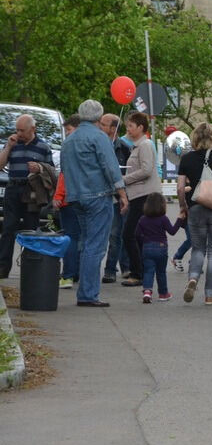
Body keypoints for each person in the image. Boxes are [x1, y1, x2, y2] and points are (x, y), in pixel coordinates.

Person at [60, 100, 129, 307]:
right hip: (98, 195)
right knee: (95, 246)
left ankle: (84, 289)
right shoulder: (99, 137)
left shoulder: (69, 141)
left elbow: (64, 169)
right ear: (99, 118)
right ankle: (88, 294)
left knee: (84, 241)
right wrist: (122, 194)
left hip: (75, 196)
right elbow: (110, 167)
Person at [177, 122, 212, 306]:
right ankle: (210, 295)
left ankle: (193, 278)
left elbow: (179, 188)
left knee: (198, 248)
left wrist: (183, 206)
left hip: (196, 206)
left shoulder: (186, 159)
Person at [0, 114, 55, 278]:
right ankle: (3, 267)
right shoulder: (13, 144)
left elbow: (52, 172)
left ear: (33, 129)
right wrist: (8, 147)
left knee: (31, 229)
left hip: (31, 191)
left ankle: (30, 266)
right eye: (17, 129)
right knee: (8, 228)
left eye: (22, 130)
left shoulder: (43, 147)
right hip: (13, 188)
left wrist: (39, 167)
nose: (19, 133)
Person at [120, 112, 162, 287]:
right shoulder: (138, 145)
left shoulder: (144, 145)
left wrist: (123, 179)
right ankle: (142, 271)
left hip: (144, 195)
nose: (128, 129)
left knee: (129, 234)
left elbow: (146, 170)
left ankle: (138, 272)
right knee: (136, 235)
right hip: (138, 194)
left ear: (140, 127)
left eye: (131, 126)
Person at [136, 192, 186, 303]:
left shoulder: (143, 219)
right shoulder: (163, 218)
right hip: (161, 247)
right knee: (161, 272)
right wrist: (179, 219)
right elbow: (172, 231)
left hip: (147, 247)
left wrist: (144, 243)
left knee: (148, 271)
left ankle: (147, 291)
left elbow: (137, 234)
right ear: (162, 205)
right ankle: (163, 294)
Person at [99, 113, 132, 283]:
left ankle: (117, 268)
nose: (99, 126)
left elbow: (129, 171)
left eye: (103, 124)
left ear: (113, 128)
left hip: (120, 195)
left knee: (119, 233)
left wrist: (123, 193)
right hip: (101, 195)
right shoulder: (97, 145)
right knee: (108, 234)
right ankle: (112, 267)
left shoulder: (124, 148)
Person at [53, 114, 81, 289]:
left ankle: (68, 275)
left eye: (69, 130)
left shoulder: (69, 147)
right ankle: (76, 272)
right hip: (83, 198)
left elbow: (64, 175)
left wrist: (58, 196)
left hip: (69, 200)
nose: (67, 134)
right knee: (80, 238)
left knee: (70, 237)